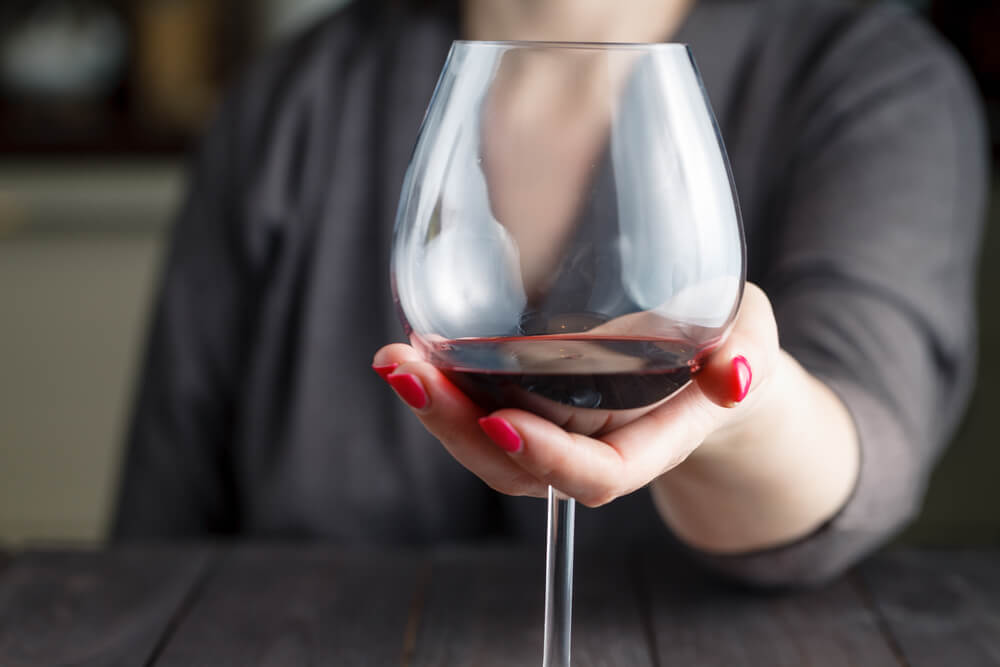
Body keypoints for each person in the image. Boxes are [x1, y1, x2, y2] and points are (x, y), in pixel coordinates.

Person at [112, 0, 988, 587]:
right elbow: (158, 542)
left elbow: (865, 442)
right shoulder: (297, 96)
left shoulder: (871, 76)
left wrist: (738, 404)